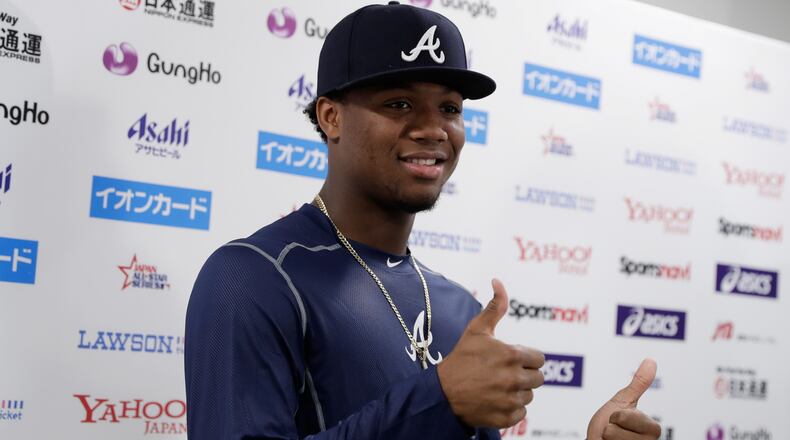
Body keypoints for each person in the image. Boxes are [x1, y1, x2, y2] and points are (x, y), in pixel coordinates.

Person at [184, 2, 663, 439]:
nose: (434, 128)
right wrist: (440, 399)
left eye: (450, 108)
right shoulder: (253, 276)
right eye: (399, 103)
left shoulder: (459, 309)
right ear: (331, 117)